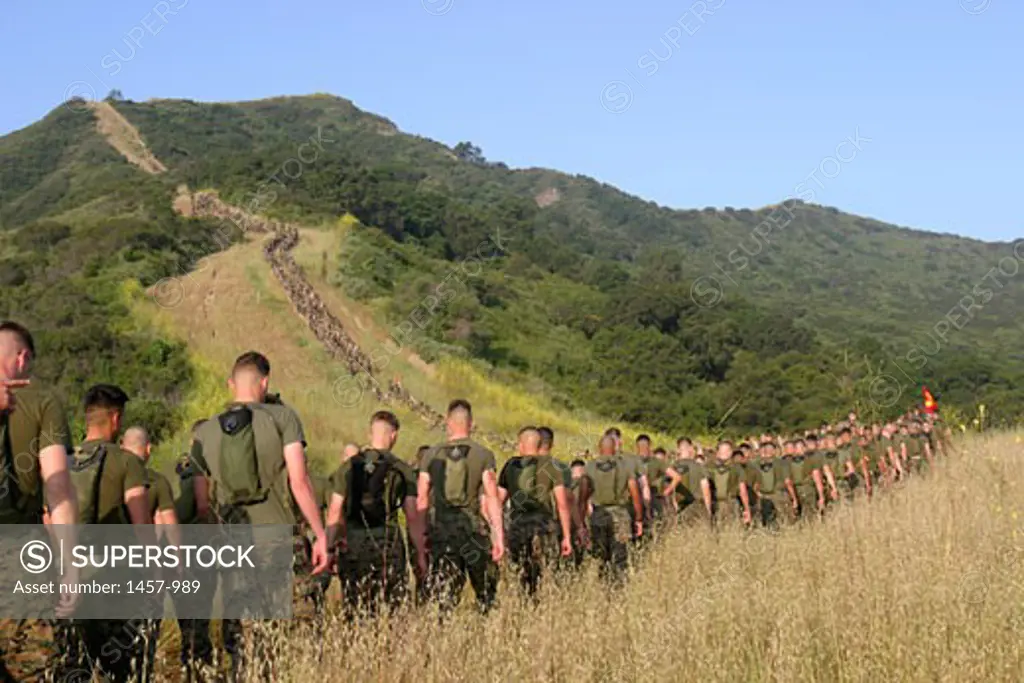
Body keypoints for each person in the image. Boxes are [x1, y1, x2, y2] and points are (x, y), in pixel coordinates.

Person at [189, 351, 329, 681]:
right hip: (280, 538)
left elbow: (201, 504)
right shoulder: (283, 418)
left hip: (234, 542)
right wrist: (320, 534)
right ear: (264, 383)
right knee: (290, 628)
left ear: (230, 384)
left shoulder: (204, 432)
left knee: (241, 630)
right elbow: (299, 481)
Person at [53, 384, 154, 682]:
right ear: (115, 419)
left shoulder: (63, 462)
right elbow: (141, 525)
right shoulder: (128, 462)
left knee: (73, 666)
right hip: (115, 580)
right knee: (120, 669)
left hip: (67, 579)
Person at [0, 322, 79, 681]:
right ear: (22, 357)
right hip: (21, 553)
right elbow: (57, 488)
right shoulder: (42, 402)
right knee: (31, 666)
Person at [325, 411, 426, 617]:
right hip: (388, 545)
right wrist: (420, 554)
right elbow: (412, 516)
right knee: (394, 610)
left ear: (370, 432)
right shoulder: (402, 469)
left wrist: (329, 549)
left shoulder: (348, 466)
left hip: (354, 544)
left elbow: (335, 511)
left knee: (355, 608)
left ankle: (356, 645)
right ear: (394, 435)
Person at [417, 399, 504, 614]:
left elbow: (421, 499)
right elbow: (492, 497)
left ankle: (445, 638)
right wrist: (498, 537)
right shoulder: (484, 455)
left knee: (444, 597)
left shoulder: (431, 455)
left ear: (448, 422)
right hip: (474, 533)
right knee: (486, 594)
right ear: (471, 423)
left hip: (442, 534)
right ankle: (488, 637)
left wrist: (421, 538)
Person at [121, 425, 181, 682]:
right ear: (148, 449)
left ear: (122, 446)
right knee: (144, 641)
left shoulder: (108, 473)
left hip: (104, 571)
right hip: (145, 572)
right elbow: (169, 525)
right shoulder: (155, 481)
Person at [497, 427, 573, 597]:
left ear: (522, 444)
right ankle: (543, 606)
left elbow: (498, 501)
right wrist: (566, 536)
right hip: (544, 526)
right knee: (546, 572)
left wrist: (498, 532)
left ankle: (525, 604)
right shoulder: (552, 466)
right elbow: (562, 504)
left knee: (521, 573)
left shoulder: (510, 466)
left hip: (517, 527)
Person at [172, 419, 216, 680]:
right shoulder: (206, 470)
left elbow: (184, 510)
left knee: (191, 618)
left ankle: (194, 667)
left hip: (191, 553)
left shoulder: (192, 471)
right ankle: (199, 667)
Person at [579, 435, 642, 585]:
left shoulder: (589, 467)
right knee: (620, 557)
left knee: (601, 557)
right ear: (614, 448)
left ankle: (605, 589)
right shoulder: (625, 466)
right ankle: (619, 591)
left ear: (599, 449)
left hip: (599, 515)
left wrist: (581, 522)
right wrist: (638, 518)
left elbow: (582, 496)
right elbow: (635, 494)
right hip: (621, 516)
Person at [666, 438, 711, 527]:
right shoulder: (699, 466)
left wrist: (673, 507)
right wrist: (708, 509)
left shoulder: (672, 468)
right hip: (698, 507)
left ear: (678, 450)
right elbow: (706, 489)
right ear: (691, 449)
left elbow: (669, 489)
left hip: (681, 508)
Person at [751, 441, 797, 527]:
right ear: (774, 451)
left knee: (765, 520)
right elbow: (787, 482)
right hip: (779, 495)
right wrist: (793, 498)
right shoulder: (782, 463)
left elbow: (753, 482)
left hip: (762, 496)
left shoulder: (755, 464)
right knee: (785, 520)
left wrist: (757, 494)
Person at [707, 442, 752, 528]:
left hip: (724, 504)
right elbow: (743, 491)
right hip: (722, 504)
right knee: (730, 530)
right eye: (723, 451)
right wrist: (747, 510)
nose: (724, 453)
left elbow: (743, 491)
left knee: (716, 531)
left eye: (725, 451)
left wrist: (746, 509)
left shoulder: (708, 467)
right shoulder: (737, 468)